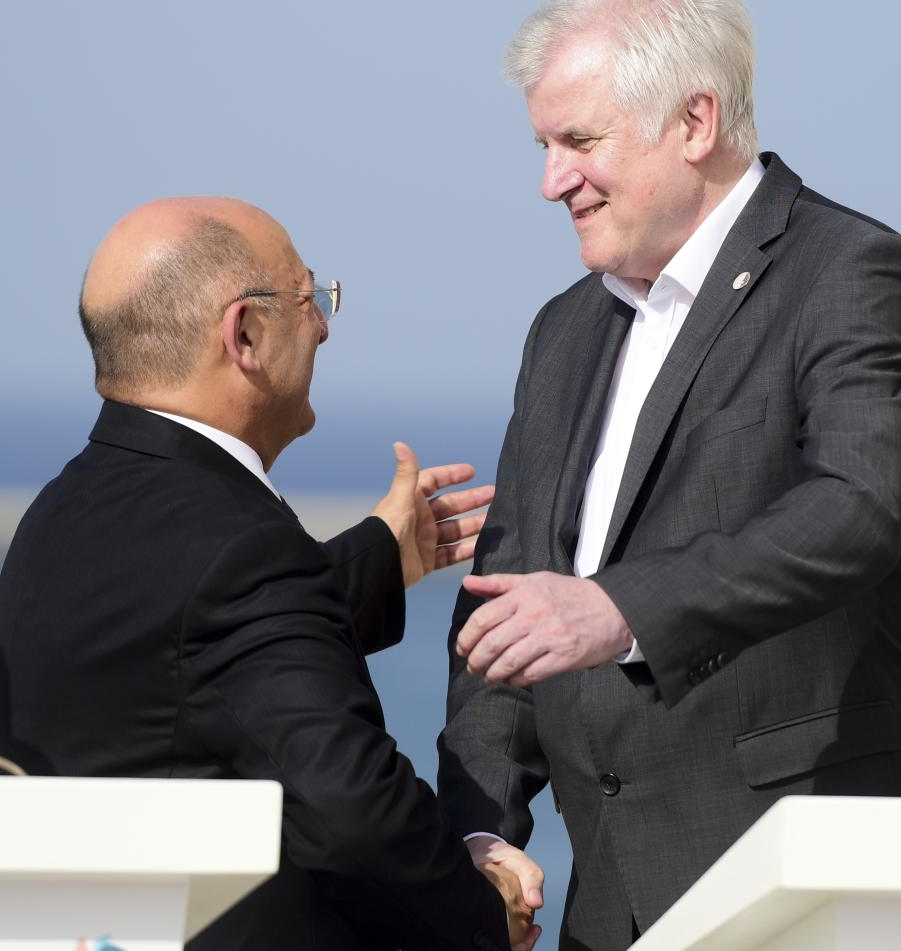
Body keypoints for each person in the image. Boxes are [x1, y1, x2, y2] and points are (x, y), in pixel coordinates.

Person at [439, 0, 901, 950]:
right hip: (607, 907)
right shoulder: (562, 332)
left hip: (815, 887)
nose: (551, 181)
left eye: (578, 140)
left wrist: (620, 605)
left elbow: (858, 508)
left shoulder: (852, 270)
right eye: (544, 145)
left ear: (696, 123)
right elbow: (510, 604)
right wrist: (483, 828)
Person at [0, 197, 543, 951]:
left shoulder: (58, 514)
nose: (322, 325)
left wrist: (382, 554)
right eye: (309, 298)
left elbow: (185, 651)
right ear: (245, 335)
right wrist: (481, 912)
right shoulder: (241, 547)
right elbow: (354, 809)